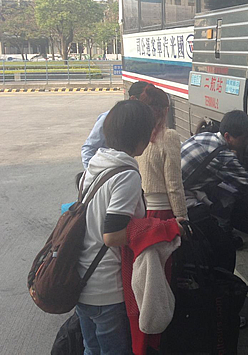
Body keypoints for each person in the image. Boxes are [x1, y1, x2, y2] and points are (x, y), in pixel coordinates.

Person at [75, 100, 183, 355]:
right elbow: (112, 235)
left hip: (82, 280)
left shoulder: (97, 163)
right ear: (141, 137)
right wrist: (161, 228)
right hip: (105, 290)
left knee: (91, 350)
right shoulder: (126, 174)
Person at [181, 110, 248, 247]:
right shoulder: (224, 157)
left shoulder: (205, 136)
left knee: (224, 187)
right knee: (228, 196)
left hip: (177, 185)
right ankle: (223, 236)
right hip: (183, 196)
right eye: (244, 138)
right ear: (227, 136)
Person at [136, 84, 187, 220]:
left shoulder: (137, 135)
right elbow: (173, 183)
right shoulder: (169, 136)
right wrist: (182, 216)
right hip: (163, 211)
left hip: (141, 210)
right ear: (166, 110)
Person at [81, 81, 149, 169]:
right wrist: (91, 173)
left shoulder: (140, 121)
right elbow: (89, 149)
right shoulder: (109, 118)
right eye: (145, 104)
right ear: (133, 99)